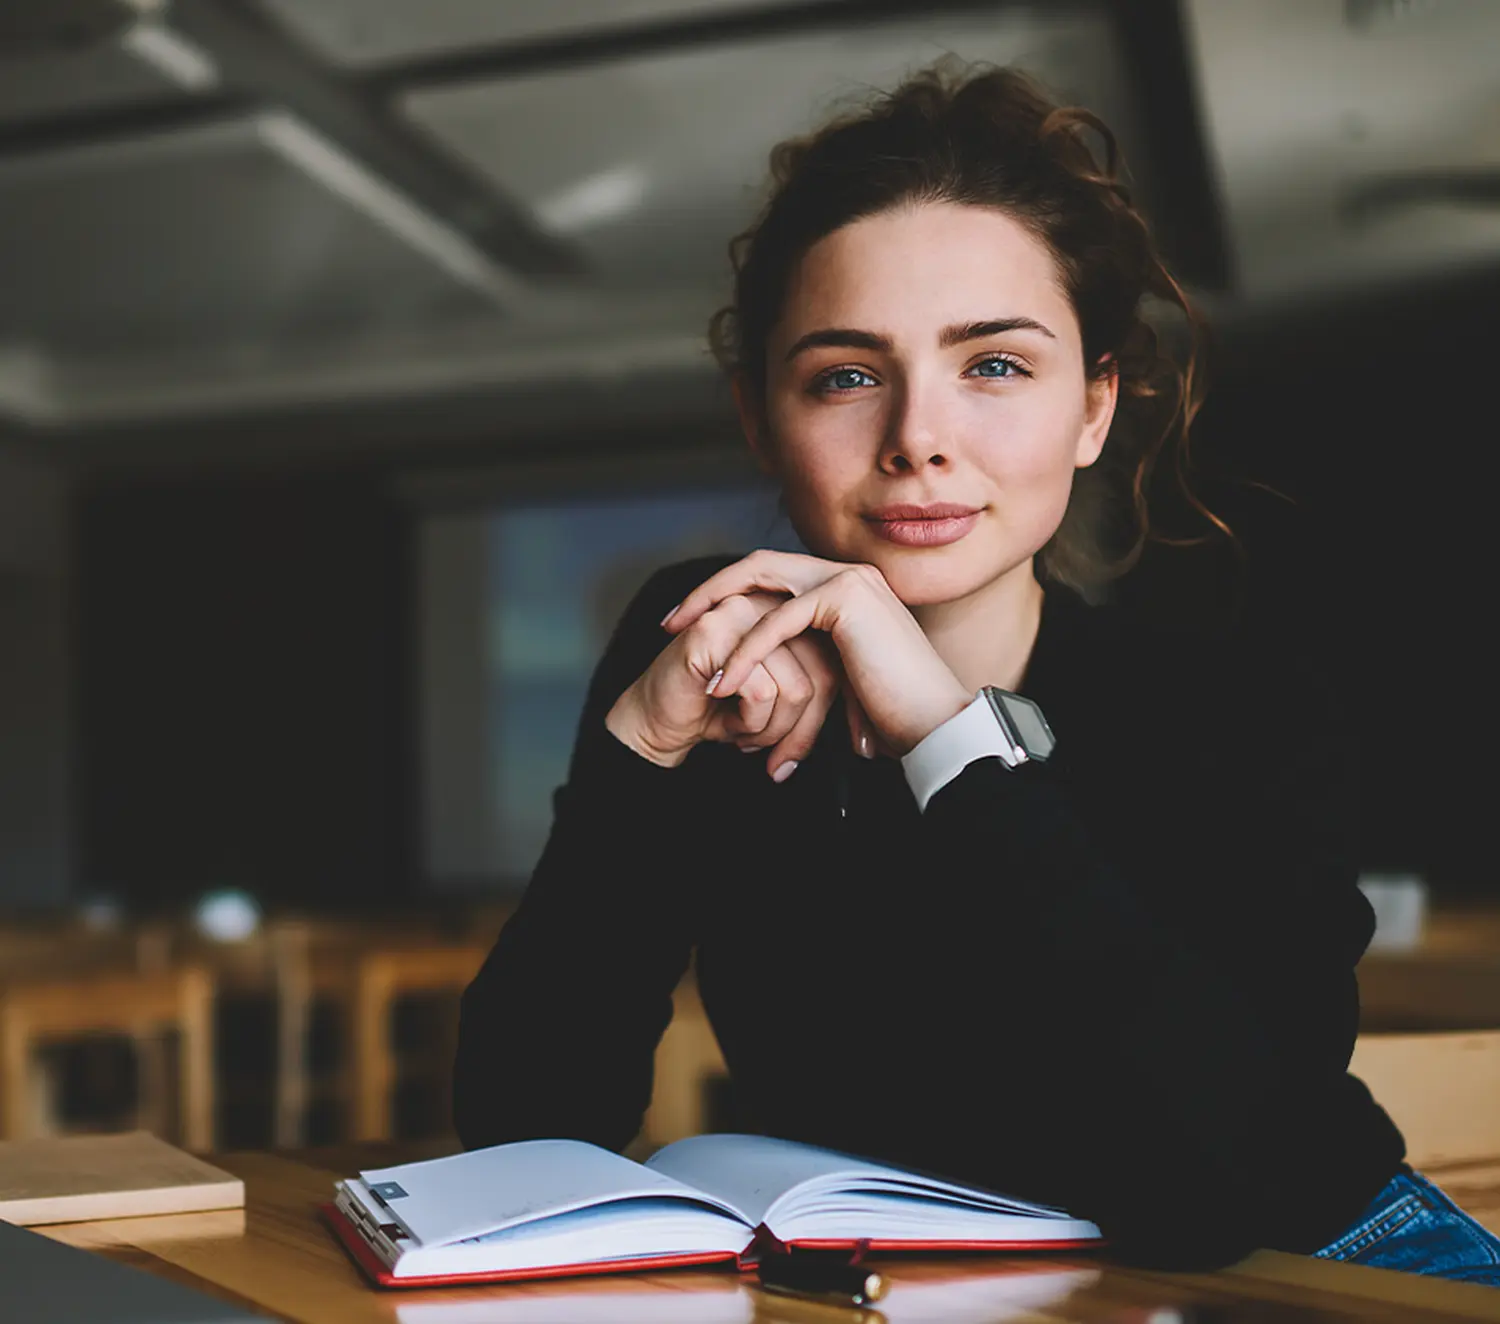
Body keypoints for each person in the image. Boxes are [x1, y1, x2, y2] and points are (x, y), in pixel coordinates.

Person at [453, 63, 1500, 1281]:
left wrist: (946, 738)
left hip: (1316, 1264)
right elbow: (526, 1126)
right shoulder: (710, 643)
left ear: (1094, 408)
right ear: (760, 417)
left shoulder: (1237, 696)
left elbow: (1214, 1192)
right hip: (914, 1278)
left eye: (994, 364)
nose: (918, 438)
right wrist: (640, 750)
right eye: (847, 376)